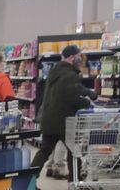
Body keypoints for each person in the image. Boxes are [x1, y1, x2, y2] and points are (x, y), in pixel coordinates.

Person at [31, 44, 94, 180]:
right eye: (78, 56)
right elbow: (72, 98)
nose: (80, 58)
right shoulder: (70, 74)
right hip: (64, 121)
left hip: (49, 119)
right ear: (72, 57)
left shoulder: (55, 71)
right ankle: (75, 181)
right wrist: (87, 102)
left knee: (44, 151)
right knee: (74, 150)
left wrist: (89, 93)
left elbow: (73, 90)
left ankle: (29, 181)